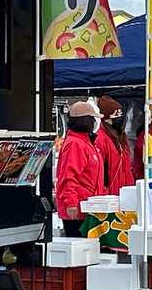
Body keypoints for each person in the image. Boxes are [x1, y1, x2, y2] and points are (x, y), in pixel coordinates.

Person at [55, 101, 106, 238]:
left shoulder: (86, 142)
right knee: (79, 247)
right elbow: (68, 176)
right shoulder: (75, 143)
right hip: (77, 210)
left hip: (87, 207)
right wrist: (71, 203)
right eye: (93, 119)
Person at [94, 97, 135, 196]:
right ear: (106, 118)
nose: (120, 119)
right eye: (116, 115)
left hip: (126, 192)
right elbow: (99, 172)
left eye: (121, 115)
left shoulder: (121, 137)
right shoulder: (101, 139)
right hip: (111, 195)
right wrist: (105, 192)